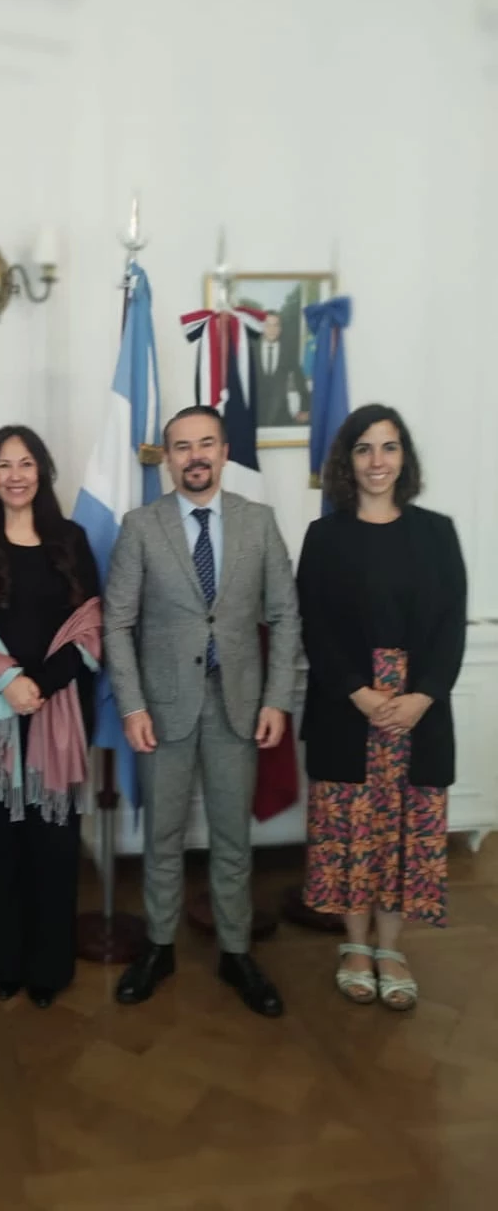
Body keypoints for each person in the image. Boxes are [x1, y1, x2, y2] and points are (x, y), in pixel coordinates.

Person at [105, 405, 300, 1016]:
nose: (194, 456)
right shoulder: (141, 526)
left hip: (238, 706)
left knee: (231, 837)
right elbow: (117, 622)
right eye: (181, 446)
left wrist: (276, 699)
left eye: (206, 444)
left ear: (222, 452)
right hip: (162, 710)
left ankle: (235, 952)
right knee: (162, 835)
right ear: (167, 457)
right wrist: (132, 706)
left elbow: (285, 616)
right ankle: (159, 946)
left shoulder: (259, 523)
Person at [298, 404, 466, 1010]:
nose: (377, 461)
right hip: (350, 708)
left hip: (419, 712)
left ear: (404, 458)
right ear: (347, 461)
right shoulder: (325, 537)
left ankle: (391, 947)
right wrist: (362, 693)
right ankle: (355, 945)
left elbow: (451, 627)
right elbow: (313, 627)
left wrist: (420, 696)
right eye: (364, 449)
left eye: (389, 448)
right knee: (350, 836)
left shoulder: (437, 532)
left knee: (405, 835)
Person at [0, 426, 100, 1009]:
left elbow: (92, 623)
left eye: (26, 462)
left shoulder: (72, 540)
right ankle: (4, 961)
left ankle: (49, 967)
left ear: (43, 472)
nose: (15, 474)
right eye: (3, 464)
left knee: (56, 846)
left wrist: (44, 684)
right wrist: (9, 684)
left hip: (57, 716)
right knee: (4, 845)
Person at [254, 310, 309, 428]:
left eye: (275, 325)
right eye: (268, 325)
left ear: (280, 328)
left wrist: (305, 408)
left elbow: (299, 379)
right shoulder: (251, 349)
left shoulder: (288, 350)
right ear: (262, 327)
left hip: (281, 414)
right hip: (255, 414)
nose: (272, 329)